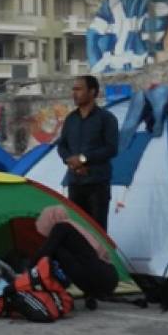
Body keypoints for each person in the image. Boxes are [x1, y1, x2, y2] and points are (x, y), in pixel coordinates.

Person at [56, 76, 119, 230]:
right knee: (76, 228)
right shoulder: (71, 119)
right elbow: (62, 145)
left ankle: (100, 255)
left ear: (92, 92)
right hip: (75, 182)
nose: (74, 93)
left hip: (97, 183)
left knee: (97, 230)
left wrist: (83, 159)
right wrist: (71, 161)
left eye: (79, 89)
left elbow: (111, 148)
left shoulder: (106, 119)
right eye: (73, 89)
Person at [35, 206, 118, 300]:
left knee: (55, 251)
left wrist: (28, 270)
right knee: (65, 253)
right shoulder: (74, 227)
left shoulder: (61, 226)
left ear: (50, 217)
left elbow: (45, 251)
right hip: (112, 278)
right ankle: (93, 293)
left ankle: (50, 289)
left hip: (97, 278)